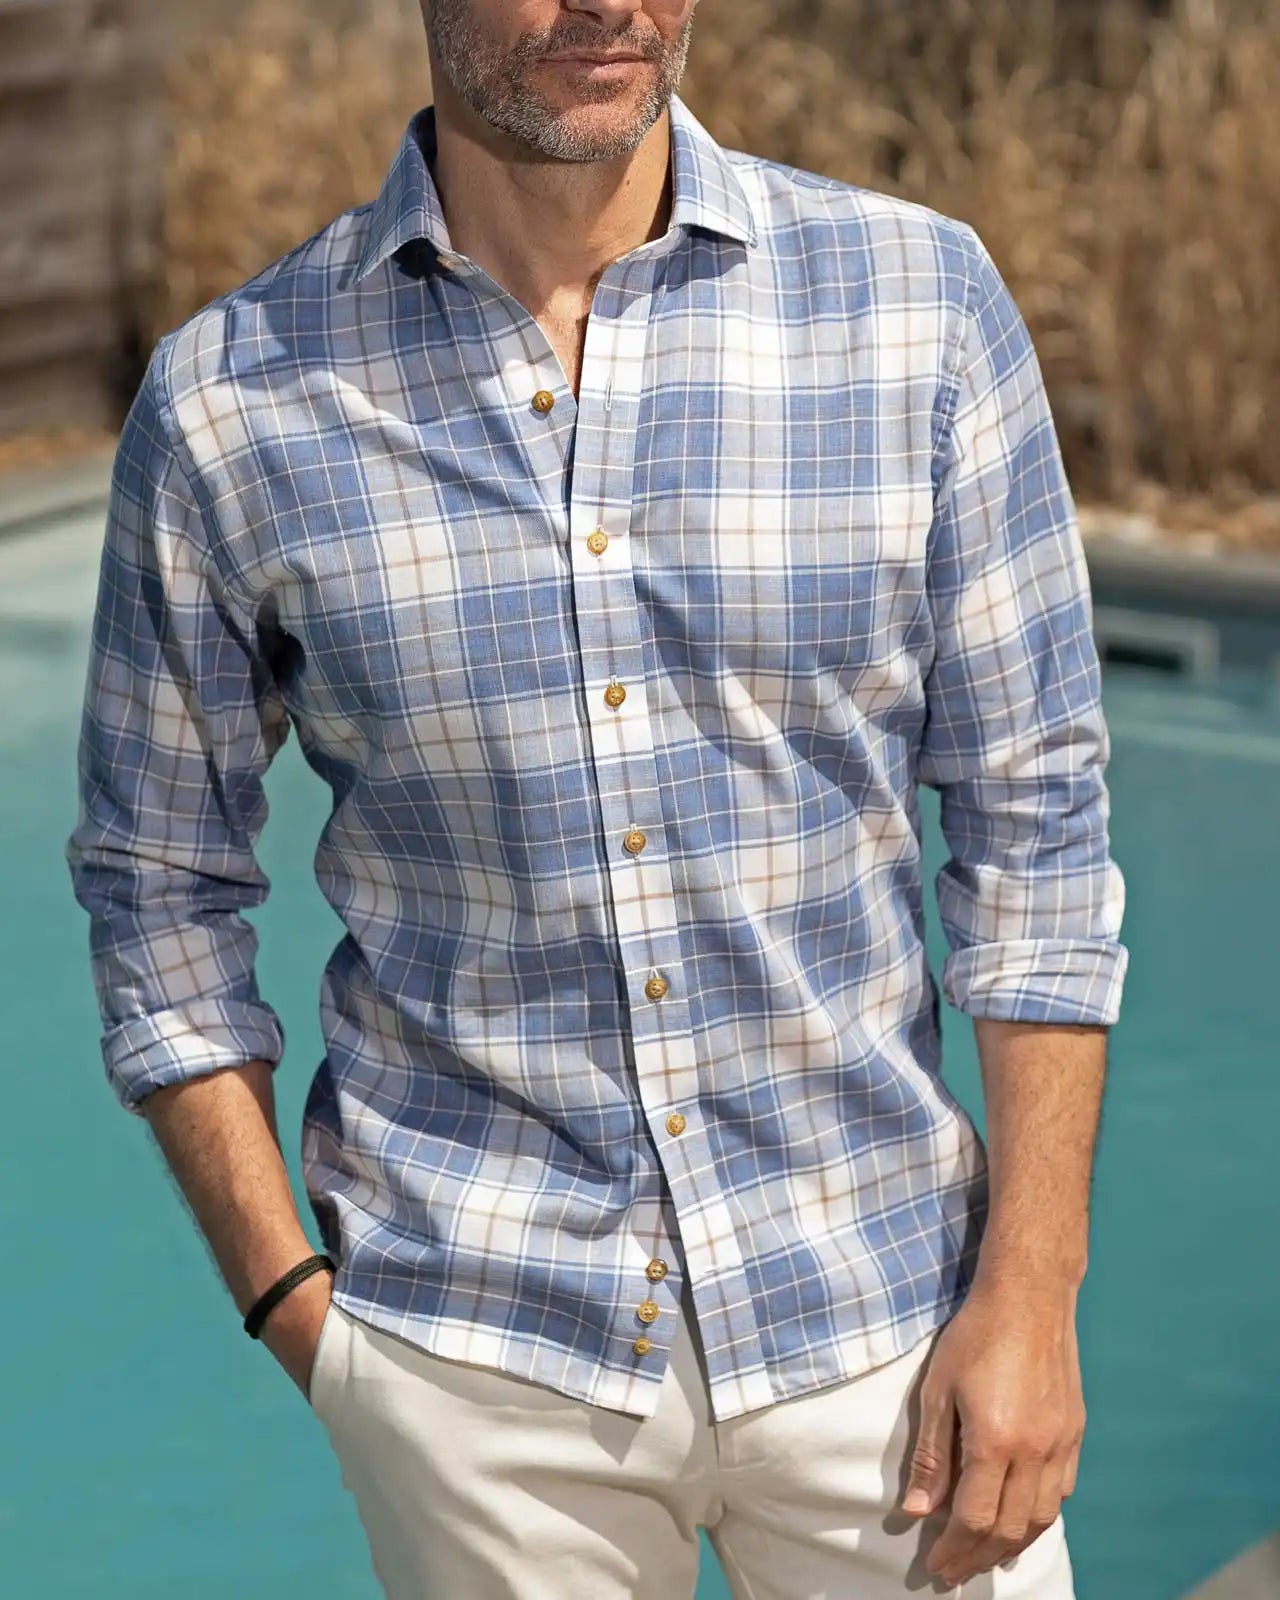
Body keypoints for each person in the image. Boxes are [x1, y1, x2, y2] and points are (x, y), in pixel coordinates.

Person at [65, 2, 1128, 1595]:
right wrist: (296, 1308)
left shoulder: (918, 306)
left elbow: (1035, 828)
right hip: (475, 1356)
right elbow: (159, 885)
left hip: (891, 1320)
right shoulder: (234, 400)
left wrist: (1033, 1294)